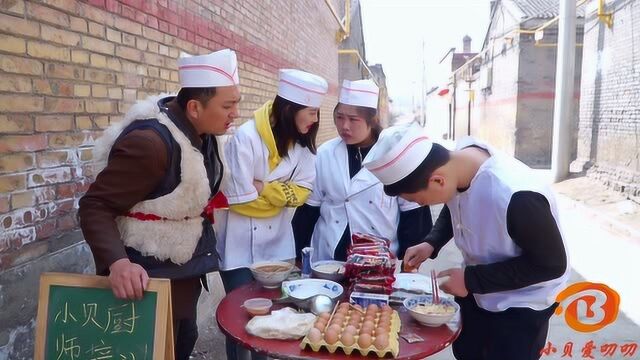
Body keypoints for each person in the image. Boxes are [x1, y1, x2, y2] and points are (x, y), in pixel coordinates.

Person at [78, 49, 241, 360]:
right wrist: (118, 263)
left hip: (184, 277)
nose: (235, 113)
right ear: (194, 107)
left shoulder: (205, 132)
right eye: (228, 105)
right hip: (146, 287)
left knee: (183, 339)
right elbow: (94, 205)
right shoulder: (150, 145)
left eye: (236, 103)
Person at [362, 123, 569, 360]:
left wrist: (471, 280)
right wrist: (431, 242)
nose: (421, 205)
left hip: (520, 307)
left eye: (420, 200)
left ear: (438, 180)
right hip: (477, 293)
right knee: (467, 352)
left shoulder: (516, 195)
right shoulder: (457, 165)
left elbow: (551, 264)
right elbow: (456, 203)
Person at [214, 69, 328, 360]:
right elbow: (239, 202)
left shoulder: (304, 149)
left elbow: (302, 194)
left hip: (277, 245)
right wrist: (281, 195)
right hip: (239, 247)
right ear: (290, 110)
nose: (316, 120)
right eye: (312, 112)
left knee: (271, 316)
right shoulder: (246, 138)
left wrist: (263, 188)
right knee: (240, 324)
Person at [293, 79, 432, 261]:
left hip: (377, 262)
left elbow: (414, 215)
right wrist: (297, 256)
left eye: (353, 119)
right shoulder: (325, 154)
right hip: (328, 259)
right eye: (340, 117)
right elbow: (308, 211)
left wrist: (408, 264)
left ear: (372, 121)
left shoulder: (395, 155)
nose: (345, 126)